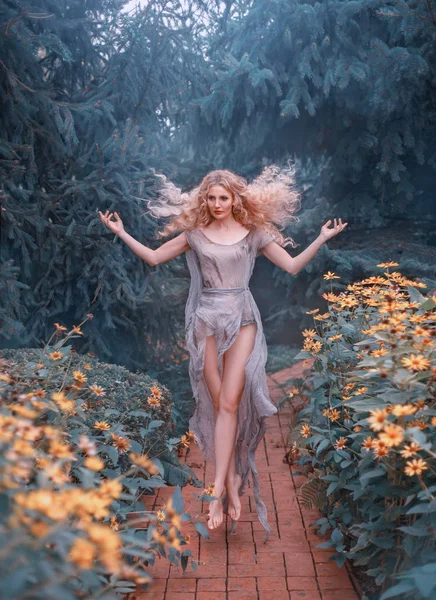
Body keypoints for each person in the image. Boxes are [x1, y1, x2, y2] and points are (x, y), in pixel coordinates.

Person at [99, 166, 347, 540]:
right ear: (205, 199)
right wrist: (120, 233)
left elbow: (293, 265)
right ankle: (230, 480)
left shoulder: (253, 236)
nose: (217, 204)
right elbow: (153, 257)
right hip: (206, 321)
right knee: (218, 406)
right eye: (211, 198)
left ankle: (215, 496)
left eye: (223, 198)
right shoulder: (195, 236)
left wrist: (322, 238)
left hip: (243, 318)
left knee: (230, 403)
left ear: (235, 199)